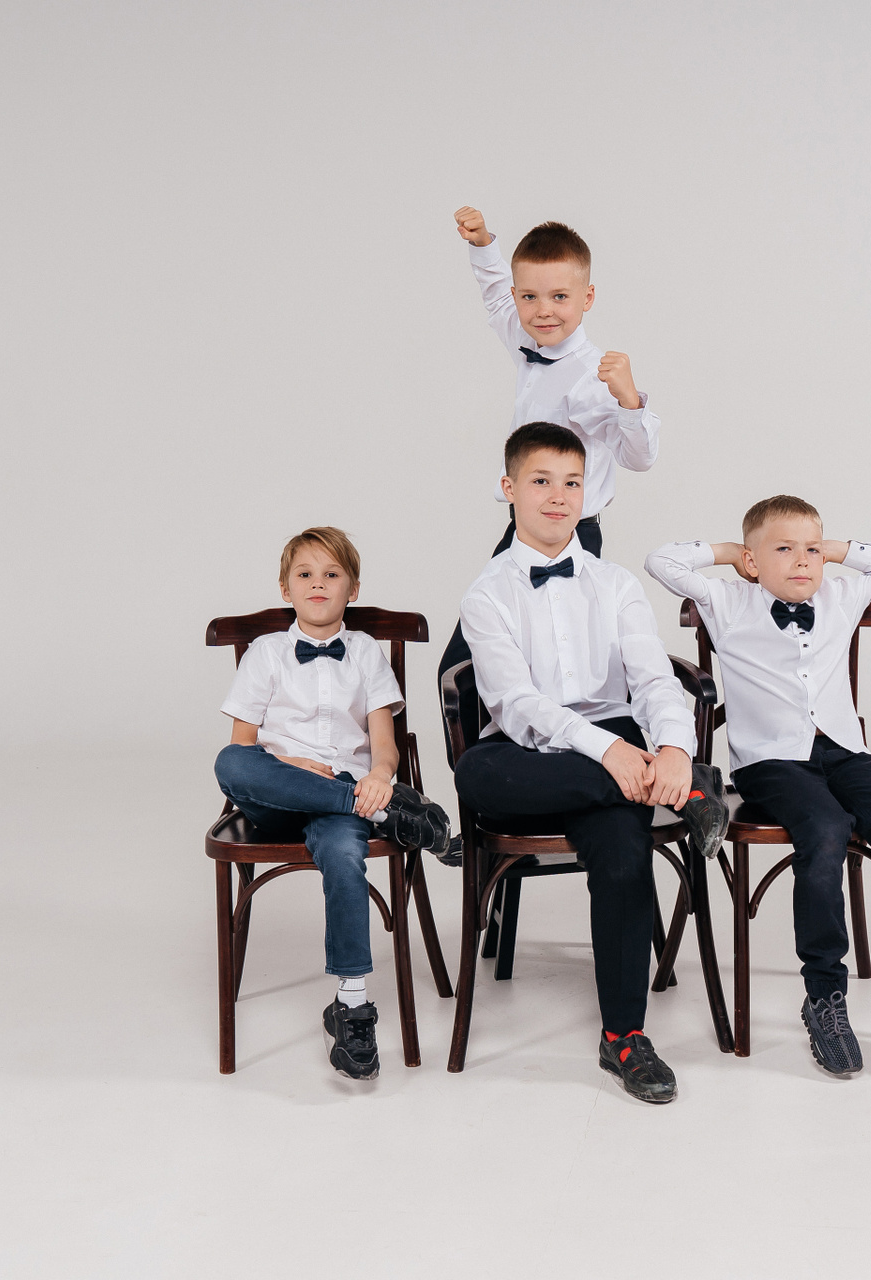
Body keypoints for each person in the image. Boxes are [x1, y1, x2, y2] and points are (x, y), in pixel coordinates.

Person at [451, 424, 729, 1104]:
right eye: (541, 481)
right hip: (530, 754)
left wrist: (673, 748)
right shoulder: (486, 594)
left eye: (572, 482)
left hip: (620, 748)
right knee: (474, 775)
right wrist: (615, 756)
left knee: (625, 854)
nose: (558, 496)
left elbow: (655, 680)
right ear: (509, 488)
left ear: (587, 492)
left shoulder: (615, 583)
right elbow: (517, 704)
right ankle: (689, 793)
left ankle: (624, 1037)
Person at [644, 496, 871, 1076]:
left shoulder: (840, 596)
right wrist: (731, 554)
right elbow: (662, 561)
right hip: (771, 762)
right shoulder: (728, 601)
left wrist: (832, 550)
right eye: (785, 549)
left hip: (845, 753)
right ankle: (824, 995)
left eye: (812, 550)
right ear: (753, 562)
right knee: (825, 831)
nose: (803, 561)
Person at [213, 526, 451, 1080]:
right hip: (279, 793)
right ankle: (390, 815)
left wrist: (381, 778)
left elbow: (385, 746)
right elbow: (242, 747)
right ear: (285, 588)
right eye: (305, 574)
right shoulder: (266, 653)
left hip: (350, 796)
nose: (317, 583)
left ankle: (351, 1005)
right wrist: (294, 766)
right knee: (229, 764)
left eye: (331, 574)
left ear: (353, 588)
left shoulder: (365, 653)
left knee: (345, 857)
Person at [437, 206, 662, 677]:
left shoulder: (592, 378)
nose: (543, 310)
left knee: (557, 659)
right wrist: (483, 245)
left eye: (560, 296)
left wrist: (629, 400)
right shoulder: (528, 340)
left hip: (570, 534)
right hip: (524, 527)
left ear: (587, 297)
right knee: (473, 659)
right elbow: (497, 296)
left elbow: (638, 458)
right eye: (530, 297)